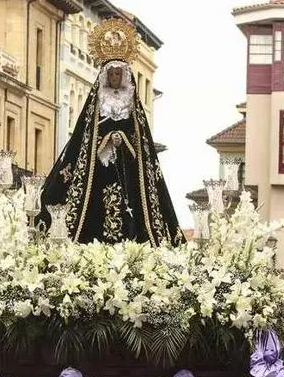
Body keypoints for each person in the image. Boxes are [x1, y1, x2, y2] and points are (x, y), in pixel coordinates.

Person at [39, 17, 184, 247]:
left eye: (118, 74)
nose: (115, 78)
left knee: (131, 207)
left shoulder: (132, 104)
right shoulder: (97, 102)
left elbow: (141, 139)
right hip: (99, 168)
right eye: (112, 74)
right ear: (106, 75)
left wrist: (123, 138)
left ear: (124, 75)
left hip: (127, 168)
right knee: (96, 206)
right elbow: (84, 137)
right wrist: (105, 139)